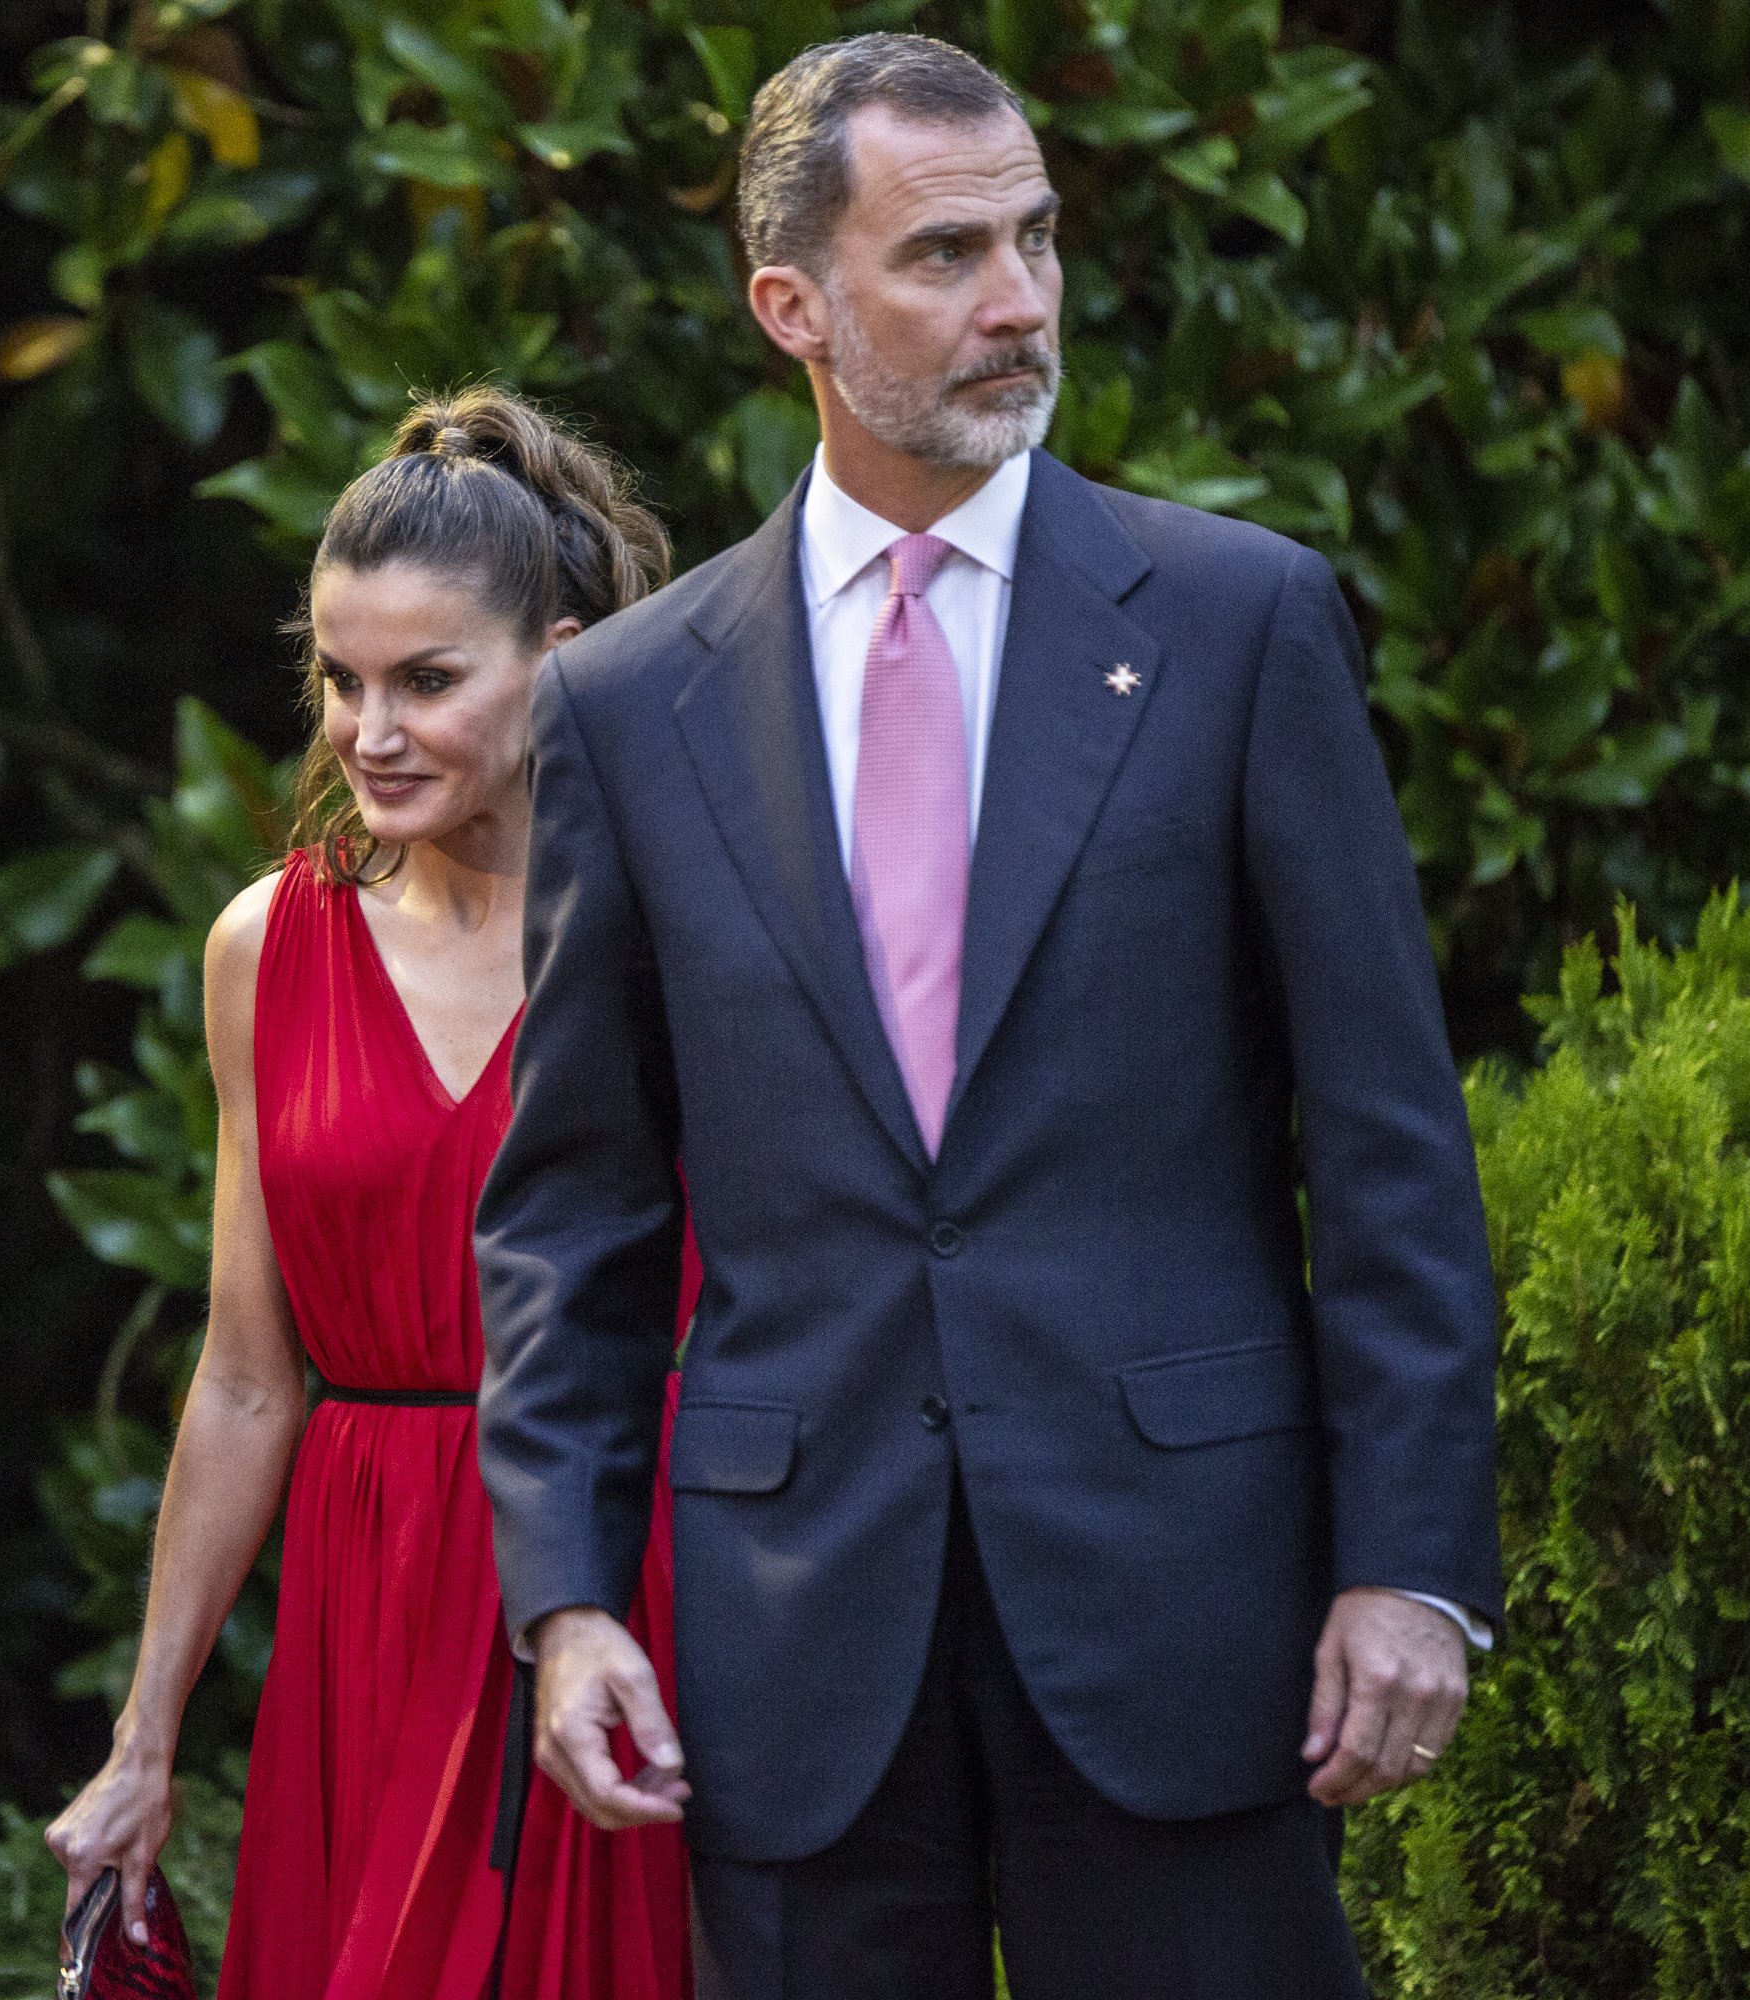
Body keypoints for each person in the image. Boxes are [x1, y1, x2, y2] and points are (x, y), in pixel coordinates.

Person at [474, 33, 1502, 1998]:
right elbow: (574, 1209)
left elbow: (1385, 1144)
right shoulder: (626, 700)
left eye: (1034, 238)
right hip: (798, 1641)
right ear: (791, 303)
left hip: (1186, 1607)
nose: (1019, 299)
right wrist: (571, 1602)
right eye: (945, 253)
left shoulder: (1242, 623)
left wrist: (1413, 1557)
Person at [47, 390, 691, 1999]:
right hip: (372, 1599)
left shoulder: (693, 931)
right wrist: (146, 1739)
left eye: (427, 680)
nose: (368, 732)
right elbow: (250, 1378)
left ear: (556, 654)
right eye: (339, 679)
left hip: (641, 1567)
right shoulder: (267, 945)